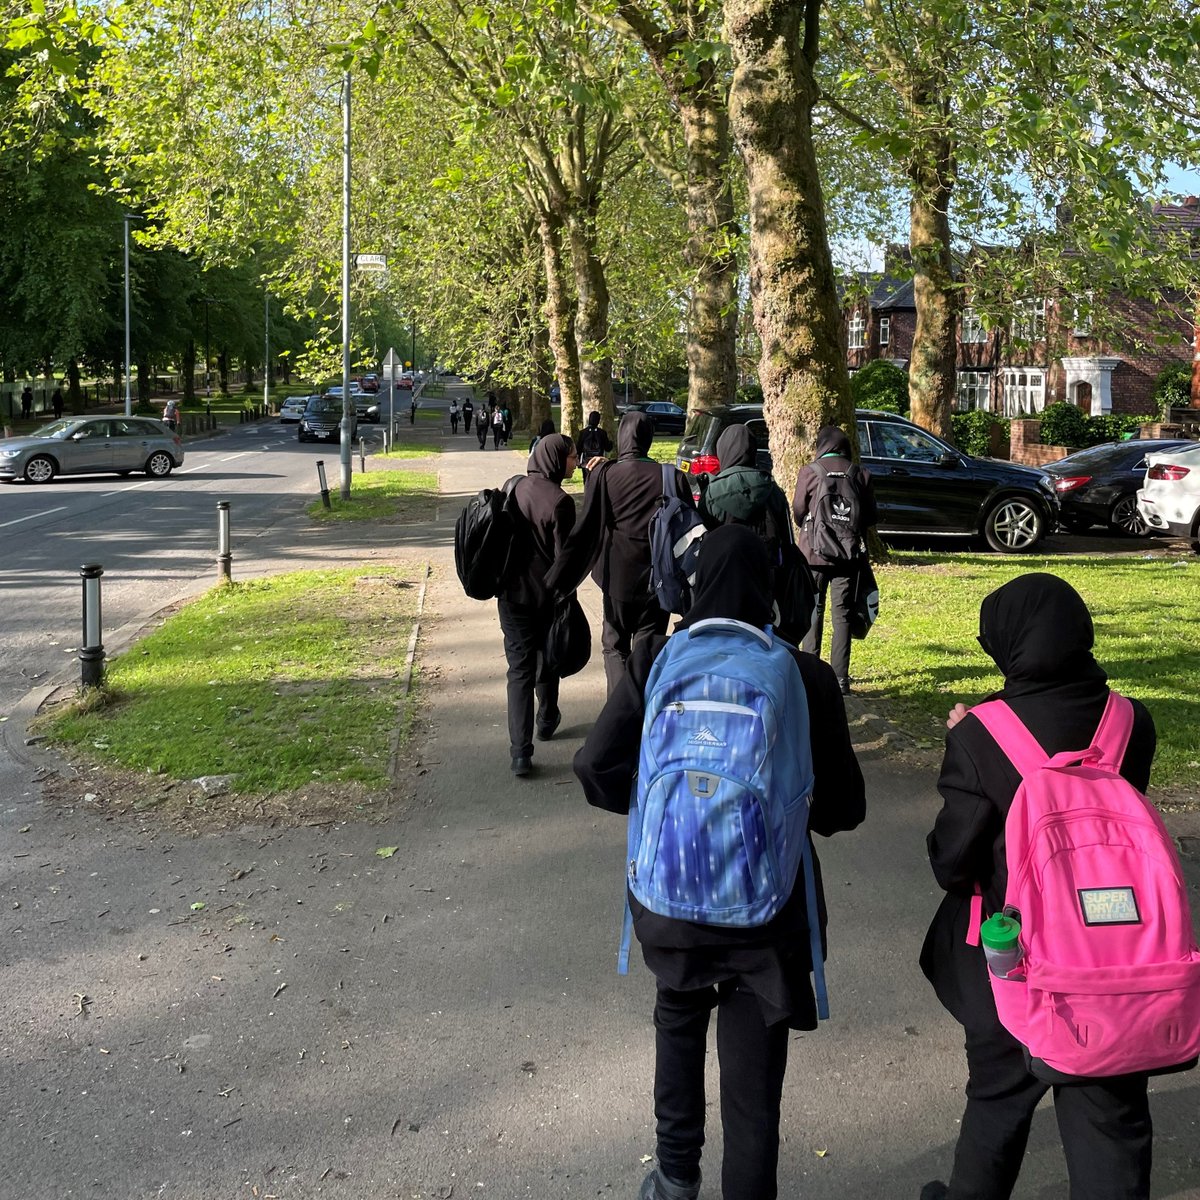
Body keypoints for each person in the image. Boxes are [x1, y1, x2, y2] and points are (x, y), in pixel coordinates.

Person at [574, 525, 866, 1200]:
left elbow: (594, 766)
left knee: (676, 1022)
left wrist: (662, 815)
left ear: (695, 586)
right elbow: (843, 807)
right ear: (771, 588)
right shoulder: (803, 674)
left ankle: (676, 1178)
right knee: (754, 1083)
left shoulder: (655, 657)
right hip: (769, 910)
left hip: (671, 898)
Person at [919, 574, 1158, 1200]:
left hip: (1017, 962)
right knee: (1112, 1114)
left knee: (997, 1098)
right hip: (1118, 955)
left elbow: (951, 862)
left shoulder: (981, 736)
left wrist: (966, 739)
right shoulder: (1131, 722)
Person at [547, 410, 694, 695]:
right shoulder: (670, 477)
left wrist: (561, 575)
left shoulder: (605, 474)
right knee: (648, 645)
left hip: (616, 577)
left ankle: (619, 707)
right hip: (658, 576)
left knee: (614, 645)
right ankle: (641, 710)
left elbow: (588, 523)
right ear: (649, 439)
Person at [497, 434, 578, 776]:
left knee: (519, 669)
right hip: (546, 596)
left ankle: (520, 753)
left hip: (511, 596)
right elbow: (565, 558)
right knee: (549, 656)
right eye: (572, 456)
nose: (575, 461)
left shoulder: (512, 487)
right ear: (557, 459)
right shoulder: (560, 501)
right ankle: (546, 717)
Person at [792, 424, 877, 695]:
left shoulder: (810, 471)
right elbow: (871, 516)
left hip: (813, 553)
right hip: (847, 556)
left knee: (813, 611)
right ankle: (840, 680)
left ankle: (808, 675)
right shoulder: (860, 473)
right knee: (842, 616)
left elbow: (798, 510)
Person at [577, 411, 613, 481]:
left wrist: (578, 461)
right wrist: (611, 443)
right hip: (598, 461)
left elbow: (578, 448)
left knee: (586, 480)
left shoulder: (583, 432)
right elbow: (608, 448)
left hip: (586, 461)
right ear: (598, 420)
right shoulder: (602, 433)